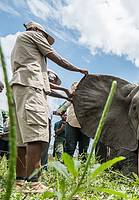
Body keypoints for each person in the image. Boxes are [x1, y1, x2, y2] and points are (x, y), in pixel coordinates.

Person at [10, 21, 88, 191]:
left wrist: (65, 92)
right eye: (45, 37)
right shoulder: (34, 35)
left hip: (21, 88)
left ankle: (20, 182)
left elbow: (47, 87)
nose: (45, 40)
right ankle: (34, 183)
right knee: (36, 135)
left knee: (22, 140)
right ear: (38, 31)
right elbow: (56, 56)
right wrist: (77, 69)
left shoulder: (23, 49)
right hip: (31, 89)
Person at [64, 82, 90, 161]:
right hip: (71, 123)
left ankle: (82, 170)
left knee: (83, 150)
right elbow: (60, 110)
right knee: (70, 148)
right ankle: (66, 169)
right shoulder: (70, 100)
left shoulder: (89, 100)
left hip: (85, 126)